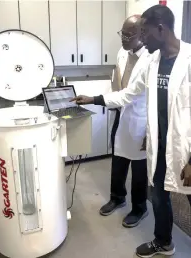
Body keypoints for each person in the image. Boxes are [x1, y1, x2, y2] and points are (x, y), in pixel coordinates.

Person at [72, 5, 191, 258]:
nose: (141, 38)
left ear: (161, 29)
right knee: (158, 197)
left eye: (144, 33)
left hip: (186, 149)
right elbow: (129, 93)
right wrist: (93, 98)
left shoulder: (190, 60)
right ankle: (164, 242)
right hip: (159, 145)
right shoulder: (153, 62)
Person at [99, 15, 149, 228]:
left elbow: (131, 94)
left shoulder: (150, 58)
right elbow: (115, 83)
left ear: (142, 34)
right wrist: (108, 100)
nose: (124, 38)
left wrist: (98, 100)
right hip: (121, 113)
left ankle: (140, 208)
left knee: (139, 168)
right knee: (118, 159)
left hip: (140, 118)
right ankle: (117, 196)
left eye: (130, 34)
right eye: (122, 33)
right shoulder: (122, 53)